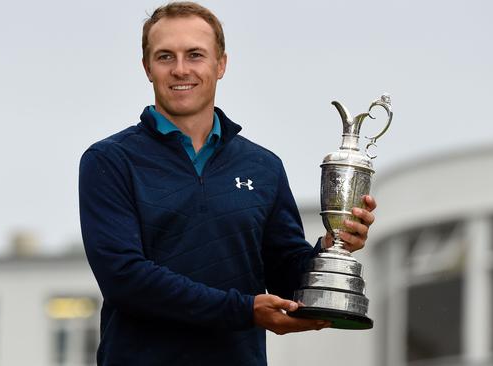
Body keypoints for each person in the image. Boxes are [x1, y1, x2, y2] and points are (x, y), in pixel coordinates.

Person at [78, 2, 376, 365]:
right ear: (147, 68)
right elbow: (125, 279)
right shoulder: (110, 160)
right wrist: (245, 310)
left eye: (195, 55)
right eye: (165, 57)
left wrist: (333, 247)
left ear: (221, 65)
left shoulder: (263, 166)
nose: (180, 69)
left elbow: (285, 277)